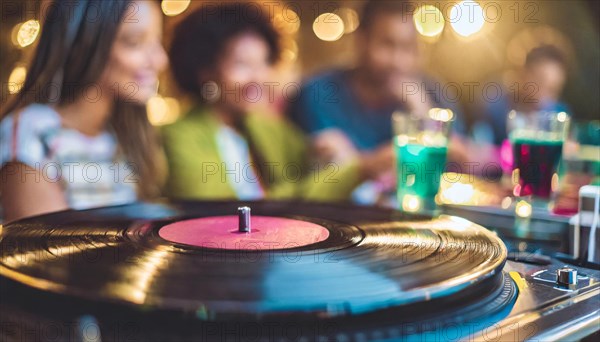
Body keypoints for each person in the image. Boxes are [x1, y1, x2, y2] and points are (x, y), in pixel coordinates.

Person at [163, 3, 385, 201]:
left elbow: (308, 161)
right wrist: (361, 169)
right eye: (242, 64)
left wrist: (327, 151)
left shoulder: (265, 126)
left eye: (263, 63)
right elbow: (229, 215)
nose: (258, 77)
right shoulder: (180, 137)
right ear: (206, 71)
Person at [0, 0, 168, 222]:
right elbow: (47, 249)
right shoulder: (31, 132)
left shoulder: (119, 134)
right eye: (134, 43)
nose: (160, 60)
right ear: (85, 45)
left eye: (157, 42)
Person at [289, 0, 468, 204]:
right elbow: (319, 169)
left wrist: (421, 108)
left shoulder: (431, 89)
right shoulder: (319, 92)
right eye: (387, 44)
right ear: (361, 40)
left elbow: (462, 156)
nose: (398, 60)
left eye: (407, 47)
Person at [474, 45, 571, 147]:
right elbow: (479, 148)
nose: (543, 96)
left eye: (552, 90)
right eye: (539, 82)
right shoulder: (494, 104)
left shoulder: (559, 115)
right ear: (523, 73)